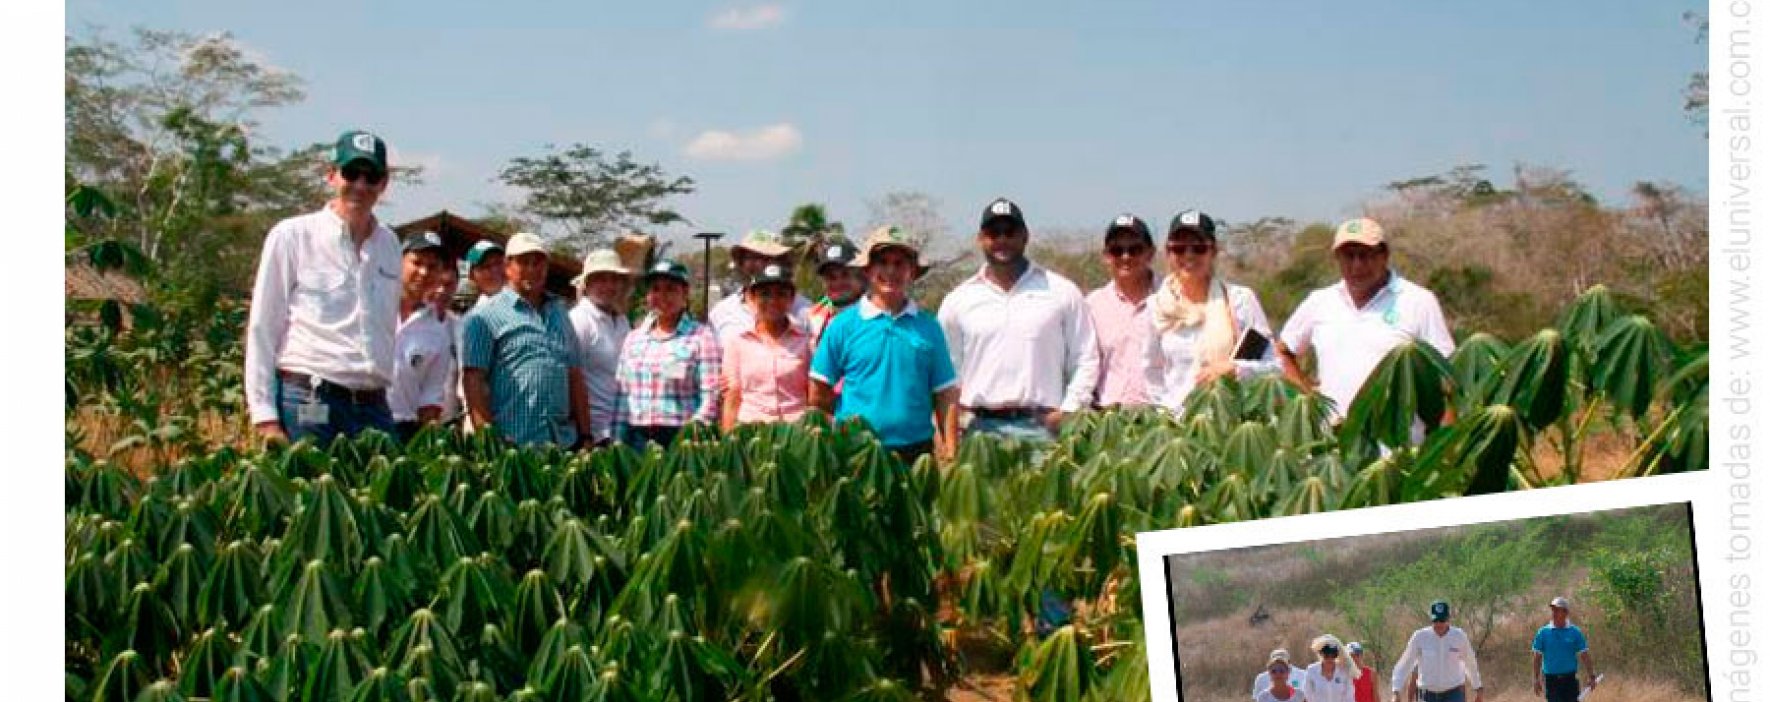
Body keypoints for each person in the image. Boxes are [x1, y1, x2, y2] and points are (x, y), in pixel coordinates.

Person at [244, 130, 400, 444]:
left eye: (371, 177)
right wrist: (264, 416)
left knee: (377, 493)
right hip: (310, 398)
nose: (360, 185)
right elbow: (263, 325)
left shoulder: (390, 244)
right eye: (351, 173)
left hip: (373, 404)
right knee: (312, 492)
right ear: (331, 175)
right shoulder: (292, 235)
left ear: (383, 184)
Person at [938, 197, 1099, 441]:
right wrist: (954, 422)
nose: (1002, 240)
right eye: (994, 233)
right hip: (980, 430)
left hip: (1043, 430)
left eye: (1010, 232)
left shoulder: (1062, 292)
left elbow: (1085, 356)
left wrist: (1070, 411)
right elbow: (947, 367)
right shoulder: (959, 299)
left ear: (1025, 236)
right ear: (980, 239)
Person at [1277, 217, 1455, 423]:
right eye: (1348, 256)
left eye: (1365, 255)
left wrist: (1447, 445)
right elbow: (1283, 350)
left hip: (1400, 446)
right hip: (1335, 439)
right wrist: (1308, 398)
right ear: (1337, 258)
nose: (1357, 265)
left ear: (1384, 255)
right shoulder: (1319, 301)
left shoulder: (1418, 301)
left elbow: (1444, 373)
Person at [810, 225, 960, 465]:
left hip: (915, 452)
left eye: (900, 263)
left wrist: (951, 451)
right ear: (868, 270)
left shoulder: (929, 327)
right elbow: (818, 391)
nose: (891, 270)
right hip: (855, 450)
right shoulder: (842, 326)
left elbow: (945, 394)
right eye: (883, 262)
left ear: (911, 271)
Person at [460, 233, 591, 447]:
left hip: (563, 441)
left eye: (538, 262)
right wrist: (489, 439)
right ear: (507, 266)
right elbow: (473, 379)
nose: (532, 268)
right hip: (514, 441)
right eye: (523, 262)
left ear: (547, 266)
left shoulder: (560, 312)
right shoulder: (485, 316)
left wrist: (585, 435)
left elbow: (574, 374)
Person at [1142, 209, 1279, 412]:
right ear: (1169, 252)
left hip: (1231, 421)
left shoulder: (1239, 300)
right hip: (1178, 424)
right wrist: (1165, 413)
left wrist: (1236, 369)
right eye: (1179, 248)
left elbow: (1274, 365)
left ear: (1213, 251)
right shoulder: (1157, 307)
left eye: (1198, 248)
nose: (1189, 255)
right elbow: (1152, 371)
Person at [614, 260, 722, 449]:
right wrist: (618, 438)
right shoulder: (633, 338)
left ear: (685, 294)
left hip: (681, 435)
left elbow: (710, 394)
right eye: (655, 289)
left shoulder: (701, 336)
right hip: (637, 437)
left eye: (671, 289)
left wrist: (695, 432)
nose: (662, 296)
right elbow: (623, 395)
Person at [721, 263, 813, 431]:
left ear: (792, 299)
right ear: (752, 298)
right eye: (765, 294)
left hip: (796, 431)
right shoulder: (737, 343)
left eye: (781, 294)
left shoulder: (806, 342)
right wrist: (728, 440)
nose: (772, 301)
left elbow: (813, 394)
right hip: (750, 430)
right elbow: (732, 396)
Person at [1086, 214, 1158, 408]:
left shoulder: (1172, 299)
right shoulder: (1092, 305)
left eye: (1135, 250)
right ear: (1106, 256)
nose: (1125, 257)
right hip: (1108, 418)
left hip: (1160, 418)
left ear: (1150, 253)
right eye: (1117, 251)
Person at [388, 232, 454, 441]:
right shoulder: (370, 307)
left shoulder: (438, 331)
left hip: (403, 428)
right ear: (399, 262)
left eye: (433, 267)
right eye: (416, 263)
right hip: (356, 418)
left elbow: (430, 395)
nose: (424, 272)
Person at [568, 249, 634, 447]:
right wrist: (585, 434)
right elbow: (573, 377)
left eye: (614, 279)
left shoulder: (622, 321)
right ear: (587, 284)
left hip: (623, 428)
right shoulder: (579, 320)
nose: (609, 286)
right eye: (601, 279)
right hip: (596, 433)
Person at [708, 229, 812, 344]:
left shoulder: (805, 311)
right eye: (751, 258)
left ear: (781, 262)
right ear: (741, 263)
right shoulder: (722, 312)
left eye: (766, 258)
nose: (759, 264)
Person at [1391, 600, 1484, 702]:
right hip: (1427, 694)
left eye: (1442, 620)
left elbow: (1470, 663)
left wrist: (1478, 688)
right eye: (1436, 621)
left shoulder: (1459, 636)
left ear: (1448, 619)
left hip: (1453, 693)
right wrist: (1396, 691)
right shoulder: (1419, 637)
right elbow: (1404, 664)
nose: (1439, 624)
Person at [1532, 597, 1596, 702]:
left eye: (1557, 610)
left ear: (1565, 613)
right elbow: (1537, 657)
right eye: (1553, 610)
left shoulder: (1575, 632)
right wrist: (1536, 679)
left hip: (1570, 680)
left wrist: (1591, 676)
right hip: (1551, 681)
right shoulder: (1543, 633)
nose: (1554, 612)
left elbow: (1584, 655)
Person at [807, 239, 865, 347]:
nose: (838, 283)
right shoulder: (812, 317)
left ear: (861, 276)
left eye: (845, 275)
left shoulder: (876, 315)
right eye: (831, 277)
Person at [430, 262, 464, 424]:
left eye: (448, 285)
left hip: (448, 422)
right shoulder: (406, 323)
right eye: (437, 283)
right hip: (409, 420)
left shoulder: (460, 327)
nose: (441, 291)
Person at [1303, 635, 1360, 702]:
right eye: (1326, 655)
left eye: (1333, 655)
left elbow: (1349, 698)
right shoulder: (1311, 670)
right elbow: (1307, 695)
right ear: (1321, 654)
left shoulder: (1344, 671)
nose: (1330, 659)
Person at [464, 239, 506, 306]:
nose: (495, 270)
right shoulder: (479, 314)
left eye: (498, 263)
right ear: (471, 275)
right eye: (486, 266)